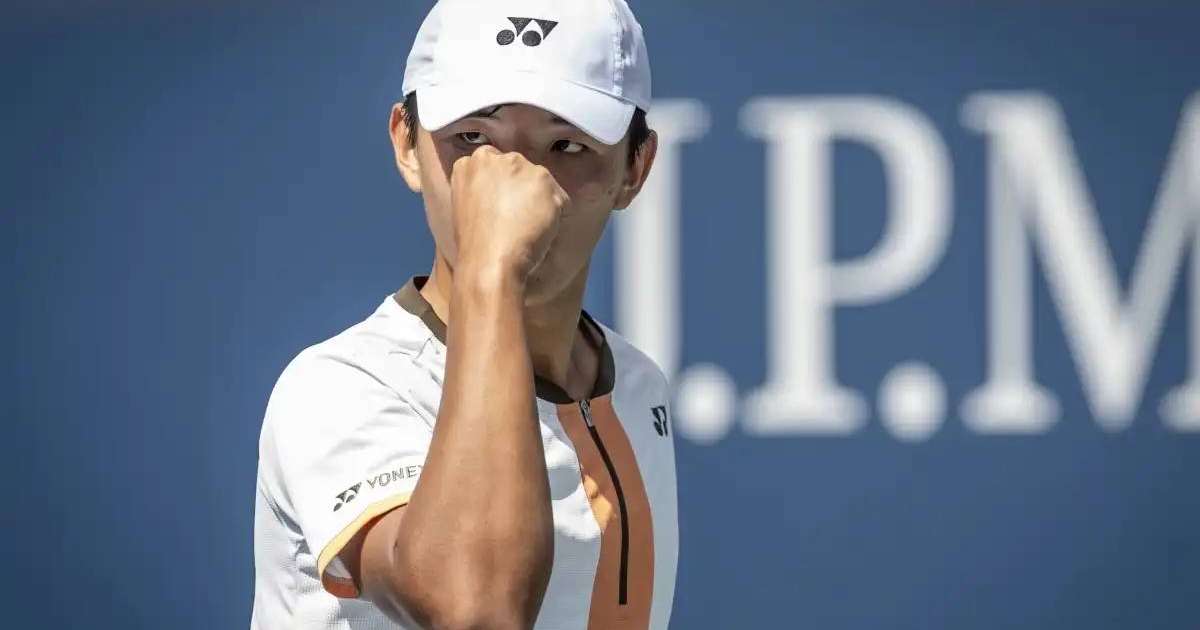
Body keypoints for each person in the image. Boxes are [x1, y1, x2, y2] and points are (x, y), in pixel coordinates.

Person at [250, 0, 678, 628]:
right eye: (472, 139)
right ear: (406, 143)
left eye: (566, 144)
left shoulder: (637, 383)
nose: (517, 184)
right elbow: (475, 612)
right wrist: (492, 267)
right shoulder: (340, 387)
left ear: (634, 168)